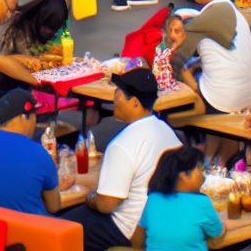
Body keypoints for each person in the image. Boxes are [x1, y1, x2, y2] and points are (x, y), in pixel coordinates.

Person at [67, 69, 181, 251]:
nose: (113, 100)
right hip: (164, 221)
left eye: (118, 94)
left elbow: (107, 204)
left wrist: (90, 198)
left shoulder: (122, 144)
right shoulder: (167, 130)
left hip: (128, 229)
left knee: (62, 228)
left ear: (135, 103)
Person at [172, 0, 251, 163]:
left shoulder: (205, 17)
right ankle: (213, 158)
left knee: (172, 89)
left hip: (224, 100)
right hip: (250, 97)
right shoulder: (235, 13)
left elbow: (173, 58)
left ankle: (189, 153)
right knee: (203, 76)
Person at [132, 144, 225, 251]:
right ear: (184, 175)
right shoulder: (201, 202)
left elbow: (140, 234)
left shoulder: (153, 199)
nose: (202, 175)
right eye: (199, 169)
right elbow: (217, 232)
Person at [0, 0, 68, 57]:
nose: (48, 31)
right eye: (45, 25)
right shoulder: (19, 27)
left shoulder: (60, 30)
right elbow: (27, 61)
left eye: (53, 28)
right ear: (38, 17)